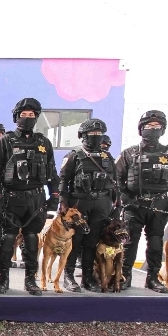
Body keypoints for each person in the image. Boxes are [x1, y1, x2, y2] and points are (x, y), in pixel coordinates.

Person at [0, 98, 59, 295]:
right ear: (16, 117)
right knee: (7, 240)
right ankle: (3, 279)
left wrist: (54, 195)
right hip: (11, 199)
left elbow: (52, 171)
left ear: (36, 117)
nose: (27, 118)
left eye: (31, 115)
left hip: (36, 200)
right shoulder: (6, 141)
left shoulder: (44, 142)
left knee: (31, 240)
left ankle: (30, 280)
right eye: (23, 115)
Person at [116, 110, 168, 291]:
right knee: (129, 241)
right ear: (141, 129)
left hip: (159, 205)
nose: (153, 129)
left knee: (155, 243)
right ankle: (124, 276)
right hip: (134, 205)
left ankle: (152, 278)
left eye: (157, 126)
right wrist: (125, 199)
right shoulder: (129, 153)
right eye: (149, 126)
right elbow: (116, 180)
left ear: (163, 129)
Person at [58, 119, 117, 292]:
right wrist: (63, 203)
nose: (96, 136)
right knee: (75, 240)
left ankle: (88, 277)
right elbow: (63, 180)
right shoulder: (74, 155)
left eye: (99, 134)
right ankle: (68, 276)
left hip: (102, 203)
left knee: (92, 241)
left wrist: (117, 204)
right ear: (83, 135)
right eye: (92, 134)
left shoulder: (107, 156)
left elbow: (115, 182)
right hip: (79, 202)